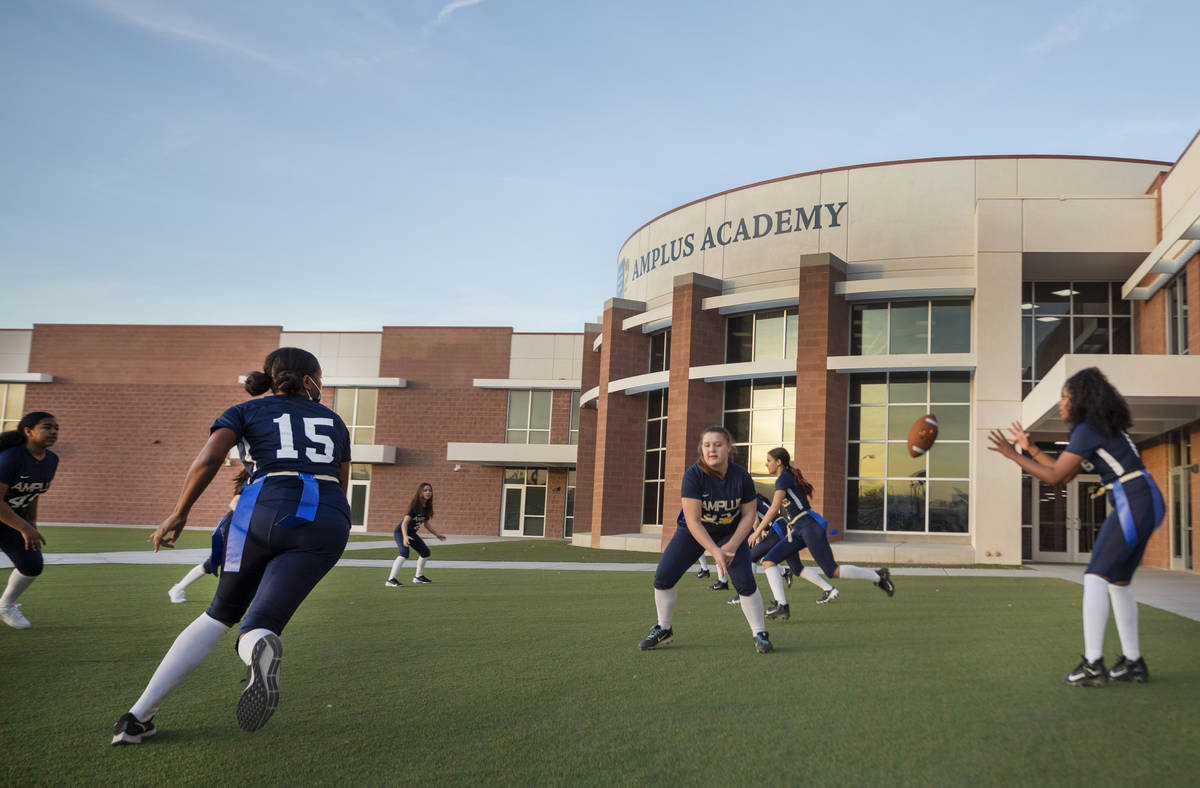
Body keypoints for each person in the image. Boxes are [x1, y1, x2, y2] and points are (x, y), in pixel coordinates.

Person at [112, 347, 352, 745]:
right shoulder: (335, 421)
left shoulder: (245, 411)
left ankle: (137, 718)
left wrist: (180, 512)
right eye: (321, 378)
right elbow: (340, 481)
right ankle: (256, 643)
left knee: (219, 613)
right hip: (324, 515)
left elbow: (209, 459)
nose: (321, 386)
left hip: (260, 509)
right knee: (262, 620)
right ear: (308, 379)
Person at [988, 366, 1163, 686]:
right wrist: (1030, 450)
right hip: (1146, 497)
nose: (1060, 403)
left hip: (1132, 498)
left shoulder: (1087, 429)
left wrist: (1013, 456)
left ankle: (1094, 665)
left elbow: (1054, 477)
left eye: (1065, 397)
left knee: (1096, 575)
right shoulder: (1103, 427)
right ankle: (1133, 663)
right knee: (1118, 581)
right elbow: (1063, 472)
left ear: (1081, 399)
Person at [638, 426, 773, 654]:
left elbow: (749, 514)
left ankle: (759, 634)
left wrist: (731, 545)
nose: (712, 449)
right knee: (663, 577)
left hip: (731, 532)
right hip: (694, 531)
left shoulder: (741, 476)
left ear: (728, 448)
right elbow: (693, 521)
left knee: (744, 582)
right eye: (707, 445)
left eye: (718, 445)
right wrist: (715, 551)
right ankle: (664, 629)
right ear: (701, 449)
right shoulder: (693, 475)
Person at [756, 448, 894, 621]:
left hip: (808, 526)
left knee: (832, 571)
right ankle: (781, 606)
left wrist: (757, 531)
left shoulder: (783, 479)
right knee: (769, 560)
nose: (766, 463)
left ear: (778, 462)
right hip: (798, 528)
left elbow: (775, 508)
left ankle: (878, 576)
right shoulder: (785, 478)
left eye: (769, 460)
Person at [0, 412, 58, 629]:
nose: (53, 432)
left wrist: (32, 524)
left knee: (31, 565)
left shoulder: (51, 459)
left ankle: (5, 606)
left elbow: (34, 493)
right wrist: (25, 528)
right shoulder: (10, 457)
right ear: (28, 431)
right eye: (46, 427)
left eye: (56, 428)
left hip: (12, 518)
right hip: (7, 515)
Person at [168, 469, 249, 603]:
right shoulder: (251, 482)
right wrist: (247, 516)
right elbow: (234, 503)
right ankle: (178, 588)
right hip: (232, 528)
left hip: (244, 528)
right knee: (213, 563)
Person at [747, 493, 839, 606]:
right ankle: (829, 589)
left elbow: (755, 522)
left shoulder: (748, 499)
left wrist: (757, 538)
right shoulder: (751, 499)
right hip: (783, 526)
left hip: (778, 528)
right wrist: (759, 541)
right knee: (797, 568)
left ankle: (747, 595)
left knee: (752, 556)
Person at [385, 482, 446, 586]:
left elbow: (426, 524)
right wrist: (405, 537)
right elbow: (404, 523)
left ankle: (418, 577)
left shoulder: (426, 507)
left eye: (430, 490)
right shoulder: (414, 506)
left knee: (425, 552)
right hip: (401, 532)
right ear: (420, 492)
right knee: (404, 553)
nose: (428, 492)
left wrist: (437, 534)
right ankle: (391, 579)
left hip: (411, 533)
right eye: (425, 490)